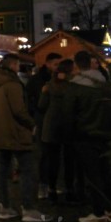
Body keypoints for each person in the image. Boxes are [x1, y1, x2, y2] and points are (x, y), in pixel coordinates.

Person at [0, 54, 51, 222]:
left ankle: (4, 207)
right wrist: (32, 124)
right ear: (13, 65)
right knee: (29, 170)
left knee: (3, 170)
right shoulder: (12, 84)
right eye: (18, 64)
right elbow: (19, 110)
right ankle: (29, 208)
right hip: (16, 133)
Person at [64, 51, 111, 222]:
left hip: (84, 135)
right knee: (105, 171)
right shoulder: (106, 86)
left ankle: (99, 212)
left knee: (93, 174)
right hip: (105, 135)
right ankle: (110, 209)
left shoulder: (75, 87)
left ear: (77, 65)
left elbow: (68, 115)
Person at [37, 59, 77, 204]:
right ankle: (69, 189)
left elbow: (41, 106)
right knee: (69, 160)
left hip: (52, 125)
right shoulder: (73, 86)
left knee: (53, 160)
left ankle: (52, 189)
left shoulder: (48, 86)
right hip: (68, 125)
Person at [25, 52, 62, 200]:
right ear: (47, 64)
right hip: (42, 120)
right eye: (55, 64)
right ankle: (43, 185)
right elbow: (30, 100)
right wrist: (36, 115)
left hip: (57, 121)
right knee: (44, 155)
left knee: (56, 155)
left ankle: (53, 185)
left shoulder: (59, 79)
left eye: (59, 64)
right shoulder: (36, 81)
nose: (58, 67)